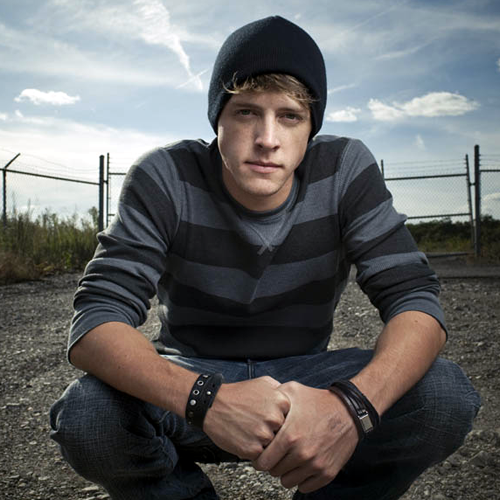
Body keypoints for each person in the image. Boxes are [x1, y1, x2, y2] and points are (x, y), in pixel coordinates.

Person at [50, 15, 480, 500]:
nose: (267, 139)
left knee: (443, 395)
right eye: (246, 112)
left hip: (307, 379)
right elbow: (96, 319)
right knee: (88, 415)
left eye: (290, 116)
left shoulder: (344, 170)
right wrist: (206, 399)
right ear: (217, 119)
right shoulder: (165, 175)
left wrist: (350, 408)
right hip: (192, 377)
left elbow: (415, 299)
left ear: (311, 127)